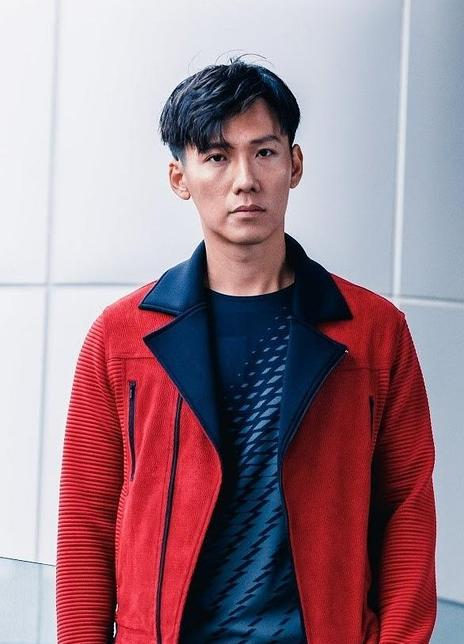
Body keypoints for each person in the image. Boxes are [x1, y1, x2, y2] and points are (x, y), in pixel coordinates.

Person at [55, 56, 437, 644]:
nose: (245, 180)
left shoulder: (373, 332)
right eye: (216, 156)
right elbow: (87, 517)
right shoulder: (121, 336)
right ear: (180, 177)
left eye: (264, 152)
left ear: (294, 164)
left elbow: (406, 507)